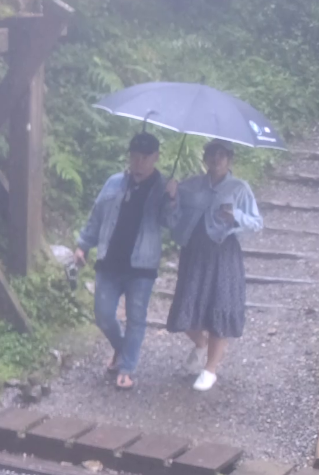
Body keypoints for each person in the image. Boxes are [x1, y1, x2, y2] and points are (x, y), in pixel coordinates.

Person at [74, 132, 175, 390]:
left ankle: (127, 367)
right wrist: (83, 245)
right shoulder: (114, 183)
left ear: (155, 158)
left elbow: (173, 225)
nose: (139, 162)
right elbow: (96, 216)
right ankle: (121, 349)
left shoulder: (163, 188)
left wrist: (172, 199)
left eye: (145, 157)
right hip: (110, 260)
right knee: (103, 314)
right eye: (134, 157)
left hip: (142, 266)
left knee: (136, 317)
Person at [166, 138, 261, 391]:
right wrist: (172, 196)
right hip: (194, 253)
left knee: (219, 308)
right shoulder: (192, 185)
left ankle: (210, 369)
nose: (216, 159)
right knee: (185, 310)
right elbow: (172, 216)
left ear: (229, 159)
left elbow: (256, 222)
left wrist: (236, 216)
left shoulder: (239, 188)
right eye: (211, 154)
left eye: (221, 155)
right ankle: (200, 344)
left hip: (223, 254)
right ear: (205, 158)